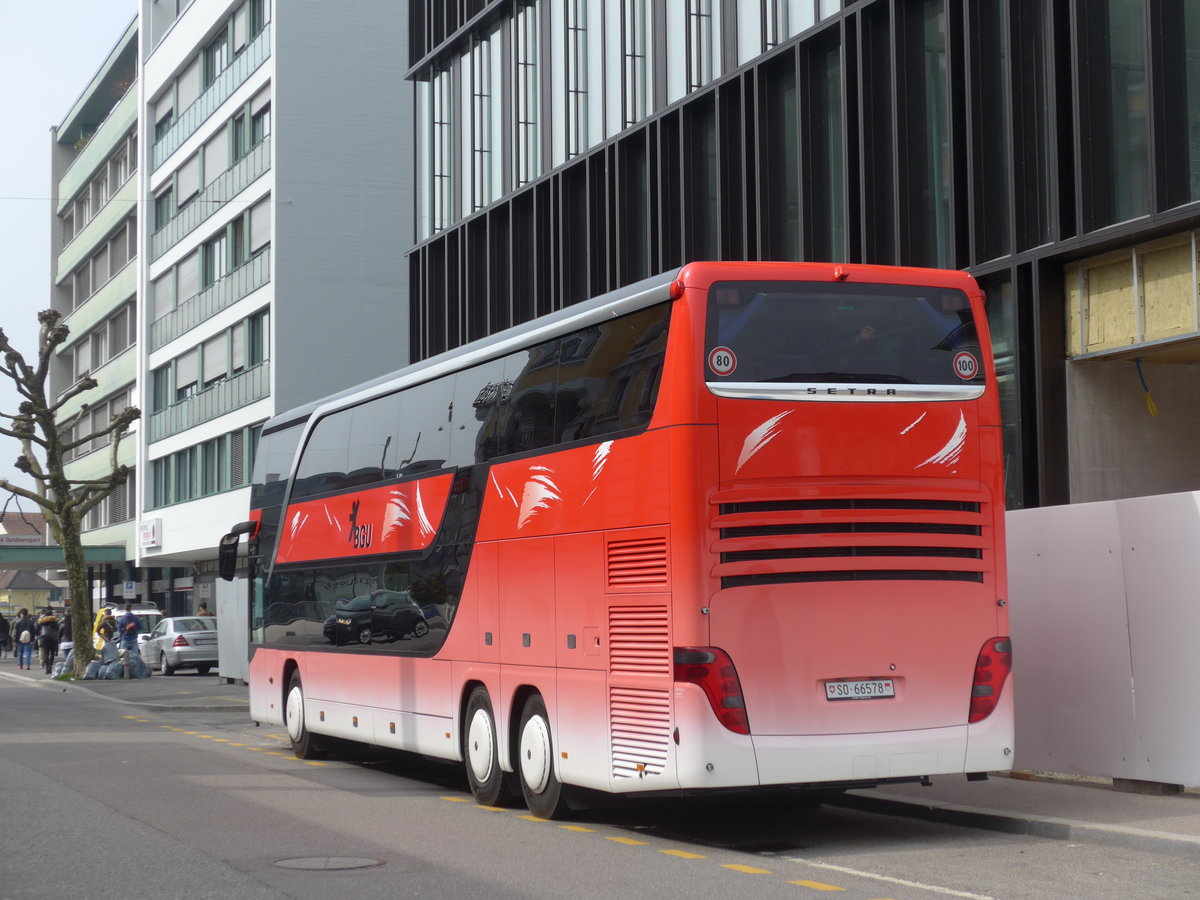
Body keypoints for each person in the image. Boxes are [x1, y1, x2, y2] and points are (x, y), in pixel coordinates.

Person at [36, 607, 60, 675]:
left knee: (46, 653)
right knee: (52, 654)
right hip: (53, 639)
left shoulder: (41, 621)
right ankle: (50, 668)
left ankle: (47, 669)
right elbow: (57, 629)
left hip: (44, 638)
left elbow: (37, 629)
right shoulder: (54, 621)